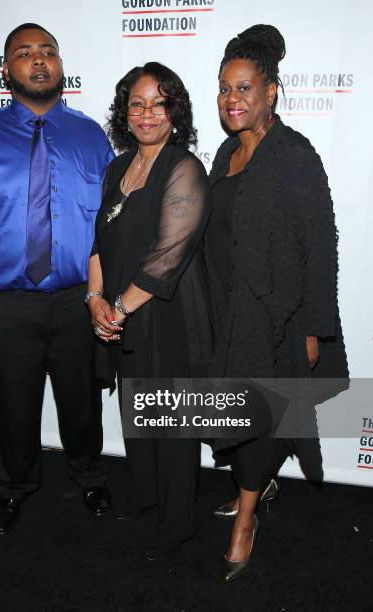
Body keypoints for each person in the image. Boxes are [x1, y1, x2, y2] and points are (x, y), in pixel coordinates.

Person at [0, 23, 115, 535]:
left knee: (81, 404)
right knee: (14, 407)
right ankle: (14, 487)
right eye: (24, 53)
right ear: (6, 70)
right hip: (6, 304)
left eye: (48, 52)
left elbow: (112, 222)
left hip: (80, 300)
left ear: (61, 65)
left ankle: (89, 474)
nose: (38, 61)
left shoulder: (90, 137)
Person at [204, 24, 348, 581]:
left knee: (262, 413)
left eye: (244, 88)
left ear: (270, 93)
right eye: (224, 88)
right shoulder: (223, 152)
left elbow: (321, 244)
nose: (231, 99)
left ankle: (245, 519)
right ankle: (254, 485)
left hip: (277, 317)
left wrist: (312, 328)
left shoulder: (293, 154)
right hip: (226, 308)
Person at [87, 62, 212, 561]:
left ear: (174, 112)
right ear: (125, 112)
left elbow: (167, 258)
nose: (146, 114)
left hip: (168, 313)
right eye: (136, 104)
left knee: (173, 423)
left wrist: (115, 307)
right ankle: (146, 494)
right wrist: (93, 300)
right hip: (123, 313)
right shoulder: (118, 167)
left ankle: (177, 522)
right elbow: (99, 241)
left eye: (158, 103)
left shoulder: (184, 167)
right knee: (137, 411)